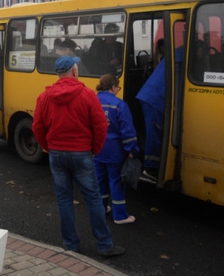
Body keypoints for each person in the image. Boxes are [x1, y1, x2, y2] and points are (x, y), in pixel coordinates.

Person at [32, 55, 124, 256]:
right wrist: (94, 149)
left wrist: (48, 147)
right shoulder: (87, 95)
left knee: (64, 199)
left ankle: (71, 245)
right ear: (74, 71)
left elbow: (37, 126)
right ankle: (104, 245)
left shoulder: (44, 97)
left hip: (56, 154)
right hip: (82, 153)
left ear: (58, 73)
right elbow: (100, 126)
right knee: (93, 199)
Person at [94, 74, 139, 224]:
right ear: (113, 87)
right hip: (114, 151)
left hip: (97, 149)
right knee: (116, 181)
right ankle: (120, 216)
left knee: (100, 181)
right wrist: (132, 149)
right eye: (118, 87)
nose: (118, 90)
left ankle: (100, 209)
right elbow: (127, 131)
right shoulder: (120, 105)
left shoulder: (92, 102)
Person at [136, 57, 165, 180]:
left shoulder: (179, 55)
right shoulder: (181, 57)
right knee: (154, 132)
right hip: (153, 99)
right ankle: (151, 168)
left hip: (153, 96)